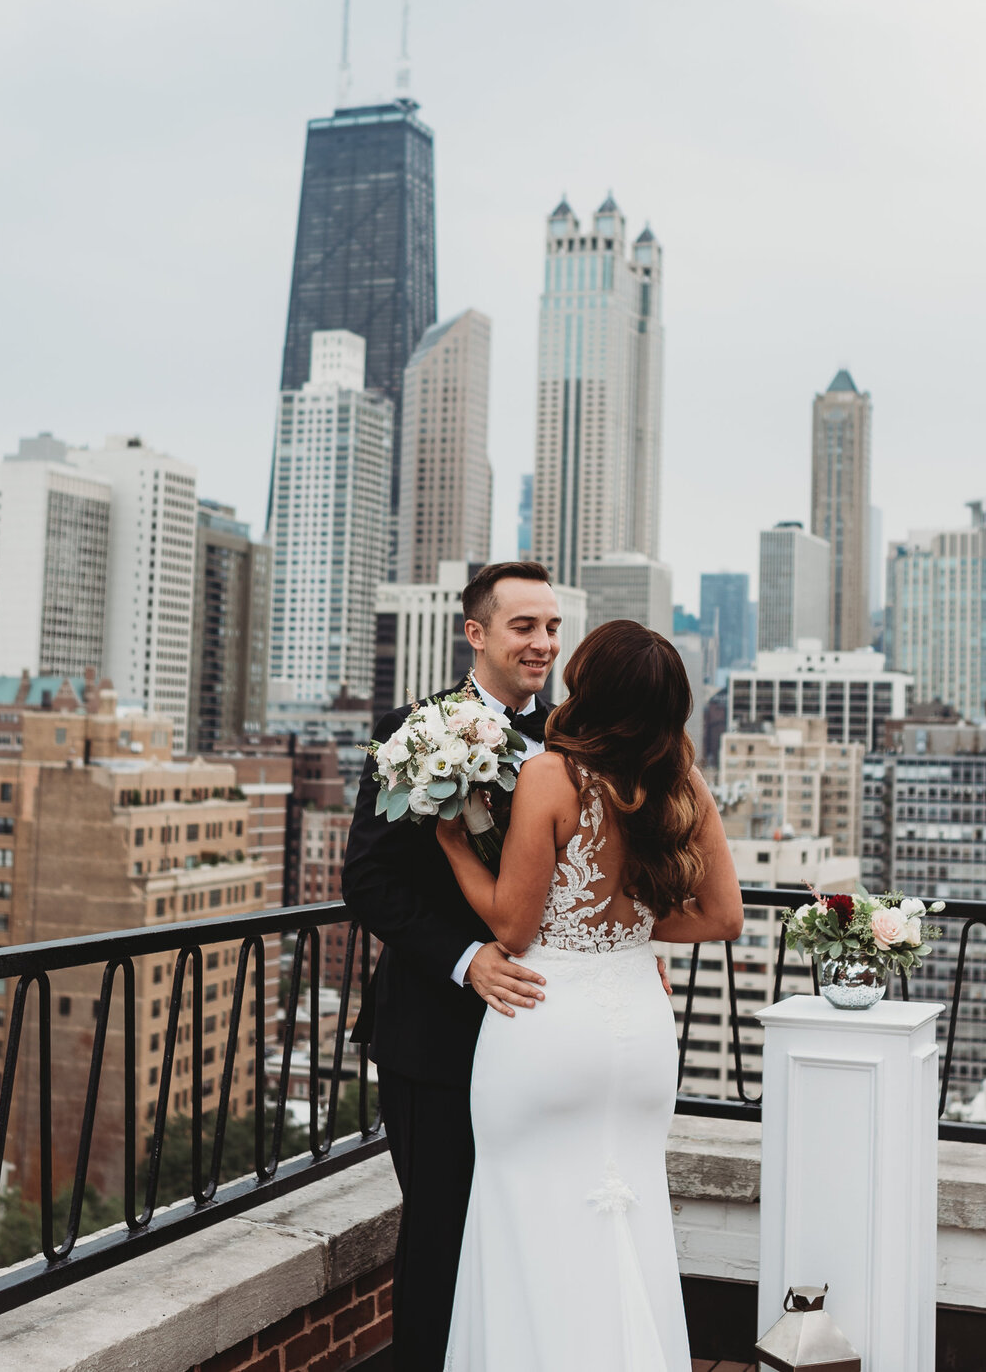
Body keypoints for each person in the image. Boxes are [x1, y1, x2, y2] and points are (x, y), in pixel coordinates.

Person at [432, 618, 743, 1371]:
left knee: (524, 1217)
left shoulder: (551, 775)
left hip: (547, 1017)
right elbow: (722, 916)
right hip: (637, 1028)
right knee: (625, 1220)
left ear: (589, 683)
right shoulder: (683, 784)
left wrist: (448, 841)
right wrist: (626, 929)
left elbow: (512, 920)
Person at [342, 561, 564, 1372]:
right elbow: (365, 880)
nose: (542, 643)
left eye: (552, 627)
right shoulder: (411, 729)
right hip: (433, 1037)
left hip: (545, 1033)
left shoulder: (574, 738)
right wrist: (466, 958)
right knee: (442, 1232)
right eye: (524, 626)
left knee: (526, 1227)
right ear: (476, 633)